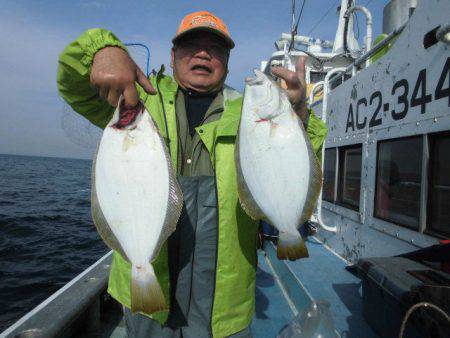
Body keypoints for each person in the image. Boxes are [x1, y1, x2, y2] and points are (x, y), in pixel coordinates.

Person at [57, 11, 327, 338]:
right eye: (191, 46)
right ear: (172, 57)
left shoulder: (250, 110)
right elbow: (73, 85)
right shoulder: (133, 101)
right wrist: (103, 50)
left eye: (214, 49)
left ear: (226, 63)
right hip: (148, 303)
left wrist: (297, 116)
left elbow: (301, 161)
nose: (202, 53)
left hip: (224, 306)